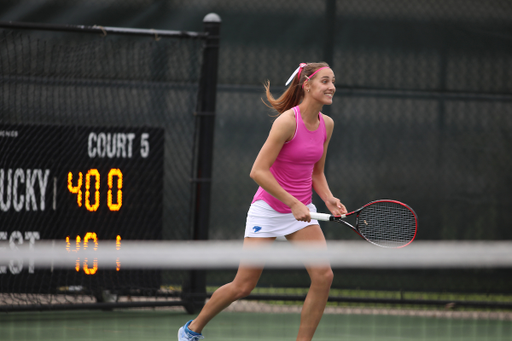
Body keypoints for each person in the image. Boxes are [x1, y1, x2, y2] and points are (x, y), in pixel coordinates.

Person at [178, 62, 347, 341]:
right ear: (307, 86)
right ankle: (191, 330)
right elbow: (258, 171)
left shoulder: (327, 124)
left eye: (333, 81)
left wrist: (328, 198)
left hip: (302, 212)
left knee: (323, 276)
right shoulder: (286, 122)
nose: (332, 87)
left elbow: (316, 171)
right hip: (268, 210)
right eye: (325, 81)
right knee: (243, 286)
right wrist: (292, 202)